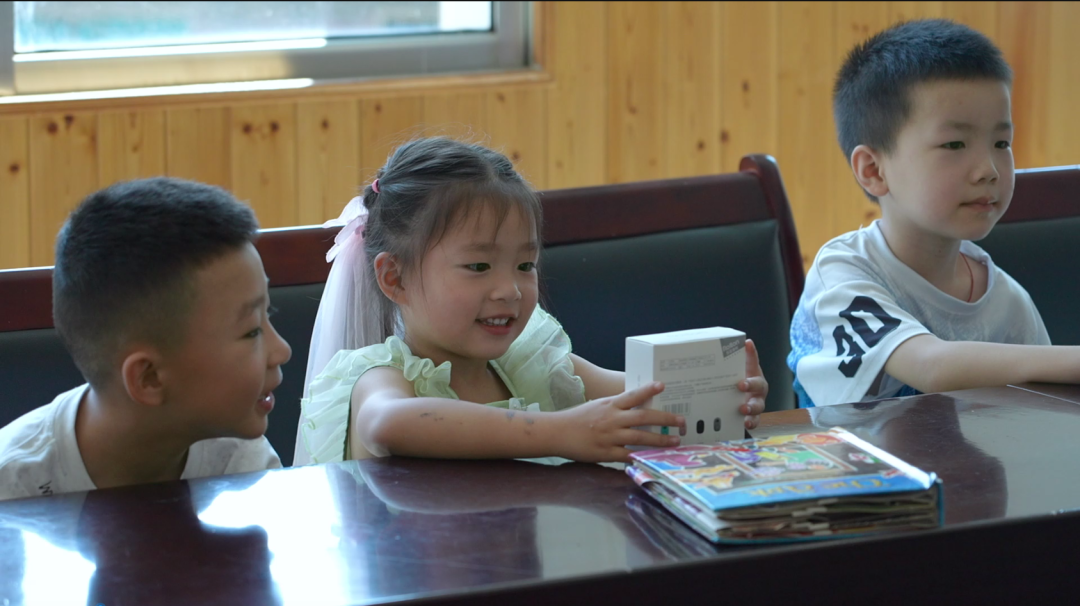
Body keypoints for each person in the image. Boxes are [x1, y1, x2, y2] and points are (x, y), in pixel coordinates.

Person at [295, 137, 768, 465]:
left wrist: (721, 389)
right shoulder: (381, 375)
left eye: (525, 265)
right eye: (479, 267)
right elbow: (390, 424)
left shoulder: (527, 360)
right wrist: (565, 432)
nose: (510, 289)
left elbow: (632, 393)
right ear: (394, 278)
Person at [788, 19, 1071, 408]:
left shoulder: (1007, 301)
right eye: (955, 143)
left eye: (1001, 142)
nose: (988, 169)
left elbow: (1051, 412)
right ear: (873, 170)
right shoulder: (842, 274)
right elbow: (929, 366)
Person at [0, 177, 292, 501]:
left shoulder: (240, 458)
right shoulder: (12, 486)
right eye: (252, 330)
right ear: (149, 378)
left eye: (270, 312)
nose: (282, 350)